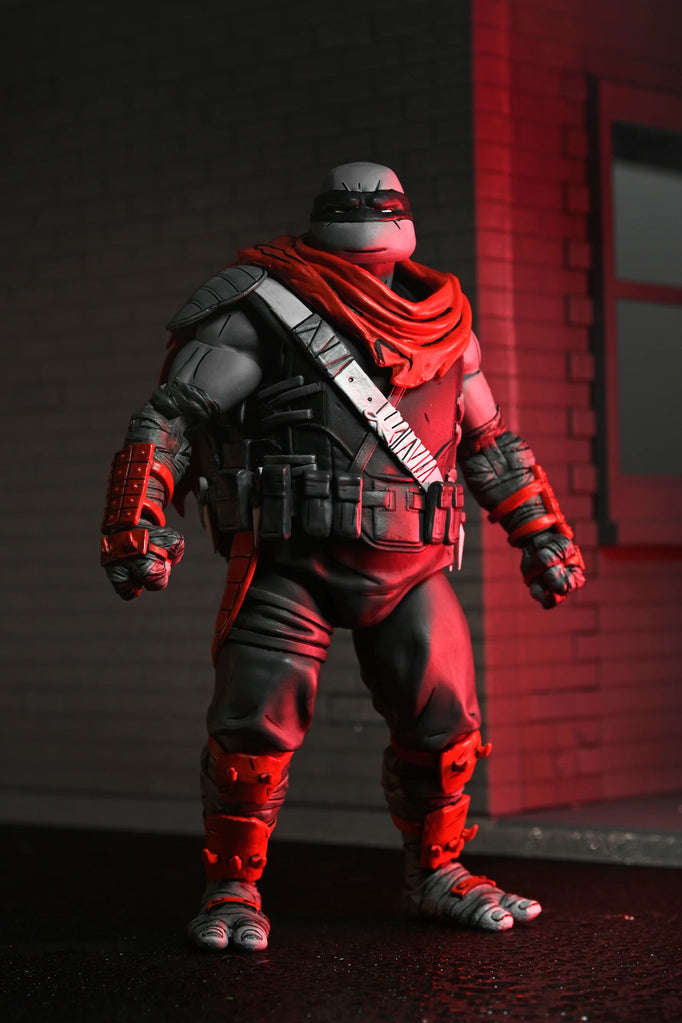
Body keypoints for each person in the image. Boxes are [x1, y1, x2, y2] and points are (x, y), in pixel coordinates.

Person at [101, 161, 585, 952]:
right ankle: (233, 888)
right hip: (293, 561)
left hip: (412, 565)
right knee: (254, 726)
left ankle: (439, 874)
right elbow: (172, 416)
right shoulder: (262, 305)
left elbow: (488, 443)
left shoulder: (446, 325)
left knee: (446, 724)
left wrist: (542, 534)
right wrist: (135, 517)